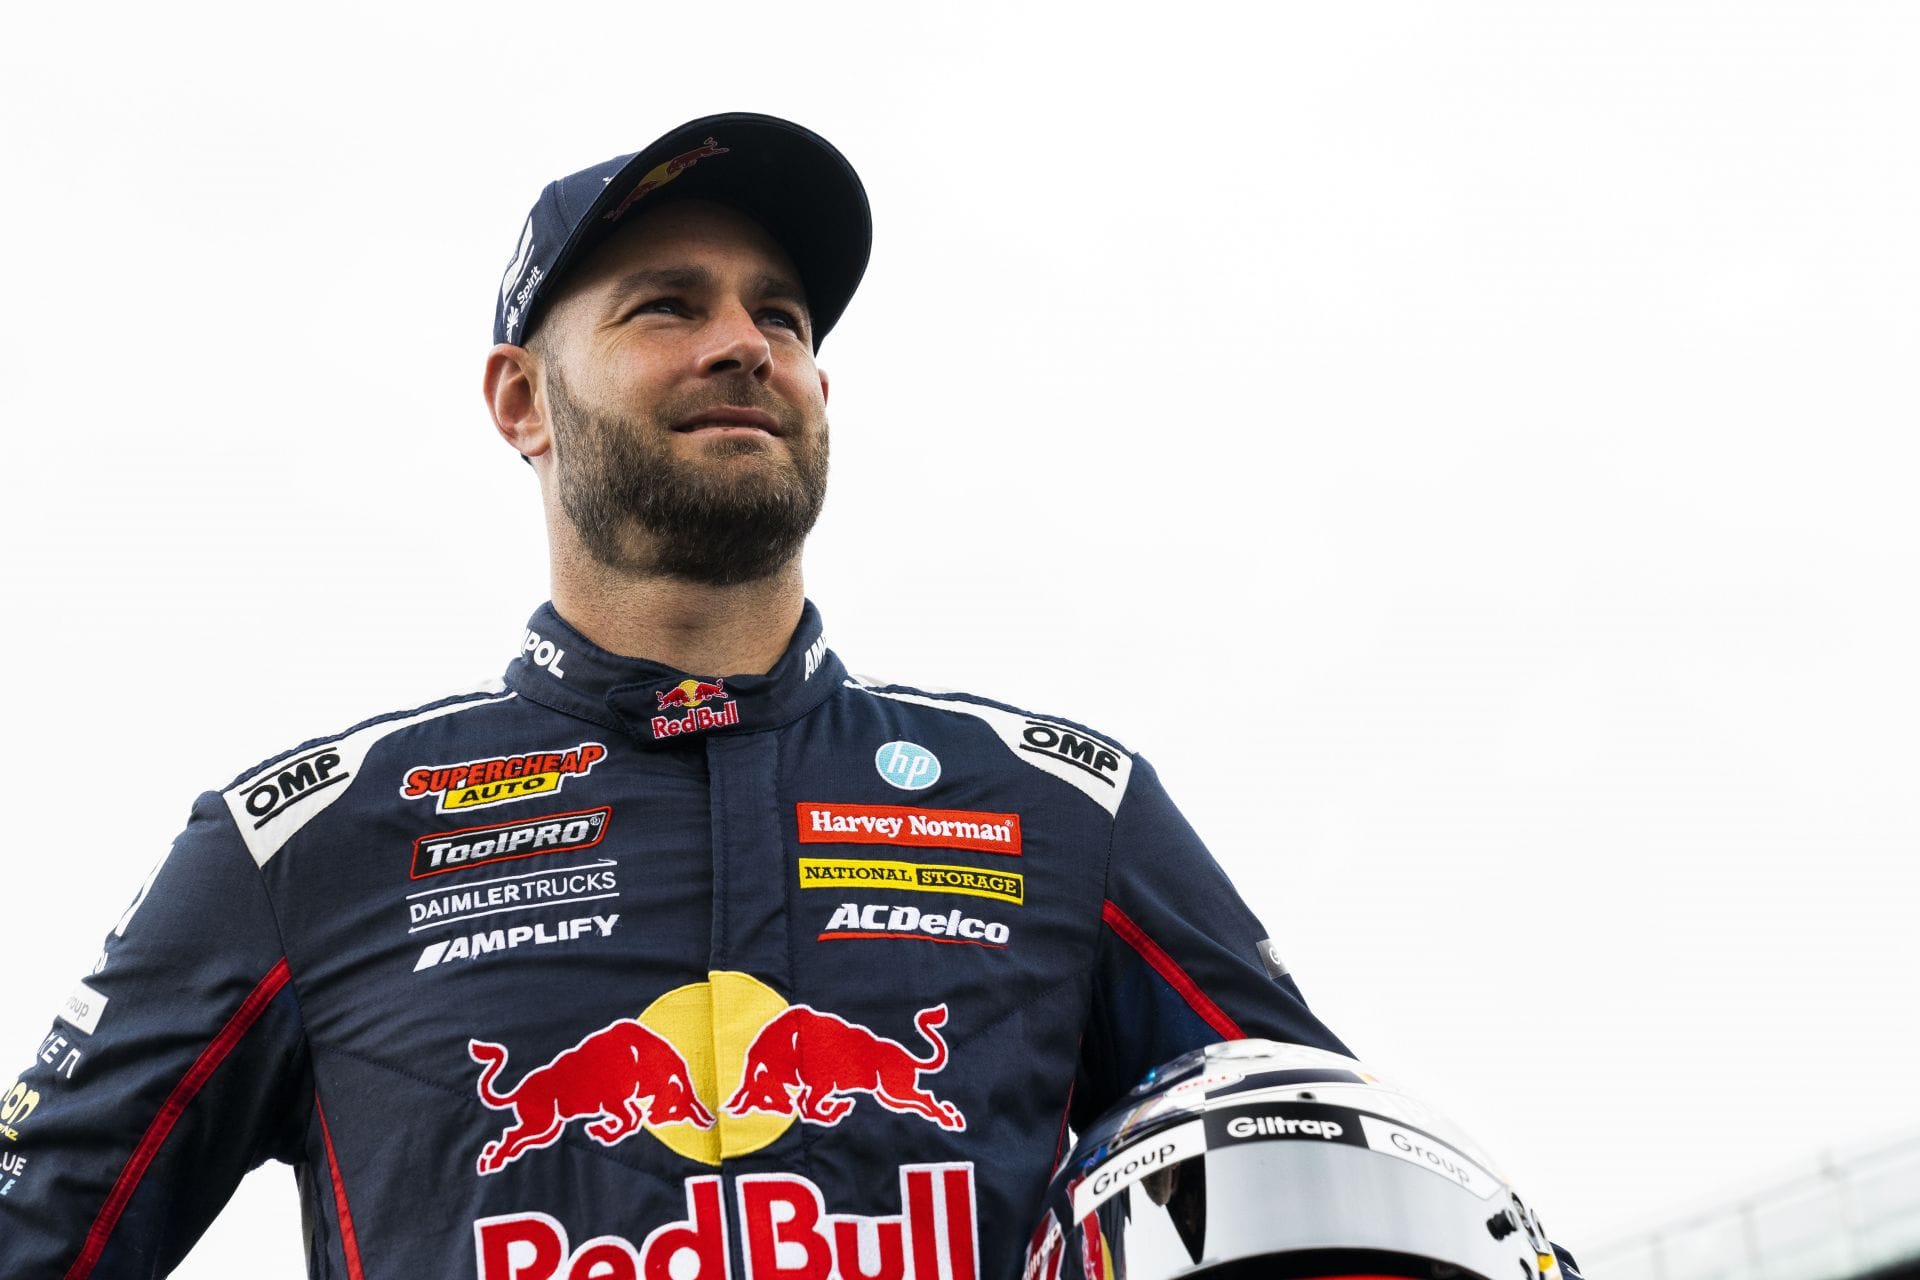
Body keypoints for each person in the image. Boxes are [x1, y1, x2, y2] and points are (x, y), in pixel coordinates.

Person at [0, 113, 1349, 1280]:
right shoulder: (306, 840)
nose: (744, 343)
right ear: (520, 399)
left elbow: (1357, 1187)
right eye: (670, 305)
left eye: (783, 315)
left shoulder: (1064, 808)